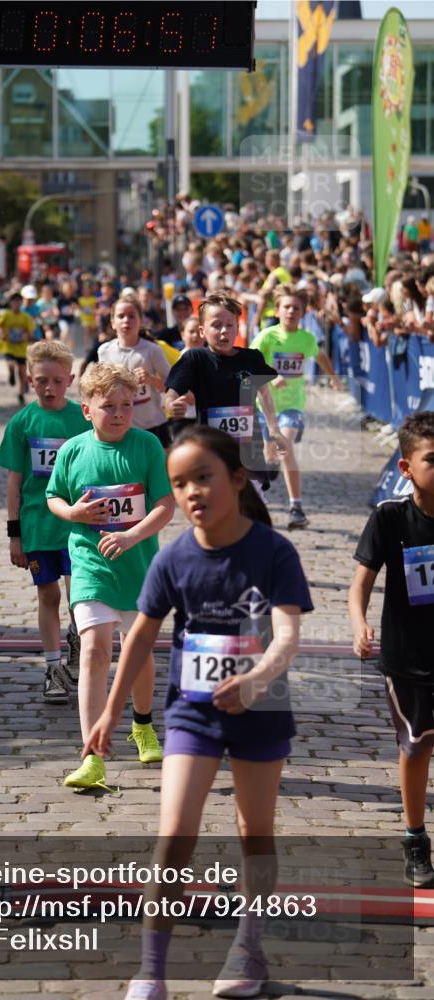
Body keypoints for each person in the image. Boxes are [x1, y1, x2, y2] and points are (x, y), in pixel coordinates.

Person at [84, 425, 313, 1000]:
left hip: (261, 709)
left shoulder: (274, 552)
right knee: (174, 835)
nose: (192, 492)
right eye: (179, 483)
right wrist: (111, 711)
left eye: (204, 477)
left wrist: (259, 678)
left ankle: (247, 949)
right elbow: (139, 637)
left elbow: (286, 634)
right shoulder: (174, 558)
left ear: (236, 480)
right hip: (192, 713)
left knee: (253, 831)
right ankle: (151, 970)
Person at [46, 363, 175, 790]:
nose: (119, 414)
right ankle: (91, 754)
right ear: (87, 410)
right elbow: (53, 498)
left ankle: (142, 724)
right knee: (95, 652)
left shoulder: (148, 446)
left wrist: (133, 535)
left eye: (126, 405)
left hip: (138, 567)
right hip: (90, 565)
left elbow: (164, 505)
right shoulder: (73, 451)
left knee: (137, 655)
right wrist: (74, 513)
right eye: (108, 407)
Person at [349, 411, 434, 888]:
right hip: (407, 656)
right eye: (433, 459)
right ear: (406, 468)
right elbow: (361, 581)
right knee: (417, 744)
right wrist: (360, 623)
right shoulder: (389, 517)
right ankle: (415, 838)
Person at [0, 341, 89, 704]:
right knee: (48, 595)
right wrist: (14, 536)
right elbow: (14, 483)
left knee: (79, 597)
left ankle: (79, 642)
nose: (49, 388)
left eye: (56, 381)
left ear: (70, 379)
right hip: (38, 527)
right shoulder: (21, 423)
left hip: (78, 527)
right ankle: (53, 669)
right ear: (29, 379)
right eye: (41, 381)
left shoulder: (81, 419)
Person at [165, 292, 288, 492]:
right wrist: (172, 404)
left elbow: (264, 393)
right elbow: (172, 392)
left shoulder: (251, 358)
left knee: (250, 504)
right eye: (216, 325)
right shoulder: (196, 359)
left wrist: (274, 429)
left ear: (237, 328)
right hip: (212, 447)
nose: (224, 331)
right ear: (202, 331)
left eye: (230, 325)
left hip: (249, 449)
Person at [251, 286, 343, 529]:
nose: (291, 311)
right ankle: (264, 484)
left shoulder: (306, 339)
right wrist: (271, 376)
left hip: (293, 405)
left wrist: (333, 377)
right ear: (278, 310)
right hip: (265, 407)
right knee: (270, 460)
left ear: (303, 313)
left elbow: (320, 355)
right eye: (287, 307)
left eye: (296, 308)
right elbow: (250, 363)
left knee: (286, 446)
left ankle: (296, 507)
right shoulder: (267, 336)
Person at [98, 294, 171, 448]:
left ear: (141, 321)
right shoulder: (104, 351)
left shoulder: (152, 350)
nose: (126, 320)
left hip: (152, 424)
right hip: (118, 424)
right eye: (121, 316)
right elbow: (99, 389)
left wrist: (151, 380)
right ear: (112, 323)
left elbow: (172, 385)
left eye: (132, 316)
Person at [0, 290, 35, 405]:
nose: (16, 303)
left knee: (22, 372)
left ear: (22, 302)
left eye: (18, 301)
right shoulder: (6, 315)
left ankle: (21, 393)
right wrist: (1, 333)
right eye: (14, 301)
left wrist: (27, 337)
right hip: (8, 346)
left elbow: (30, 331)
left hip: (21, 348)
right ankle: (11, 373)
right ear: (10, 303)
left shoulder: (25, 317)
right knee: (10, 364)